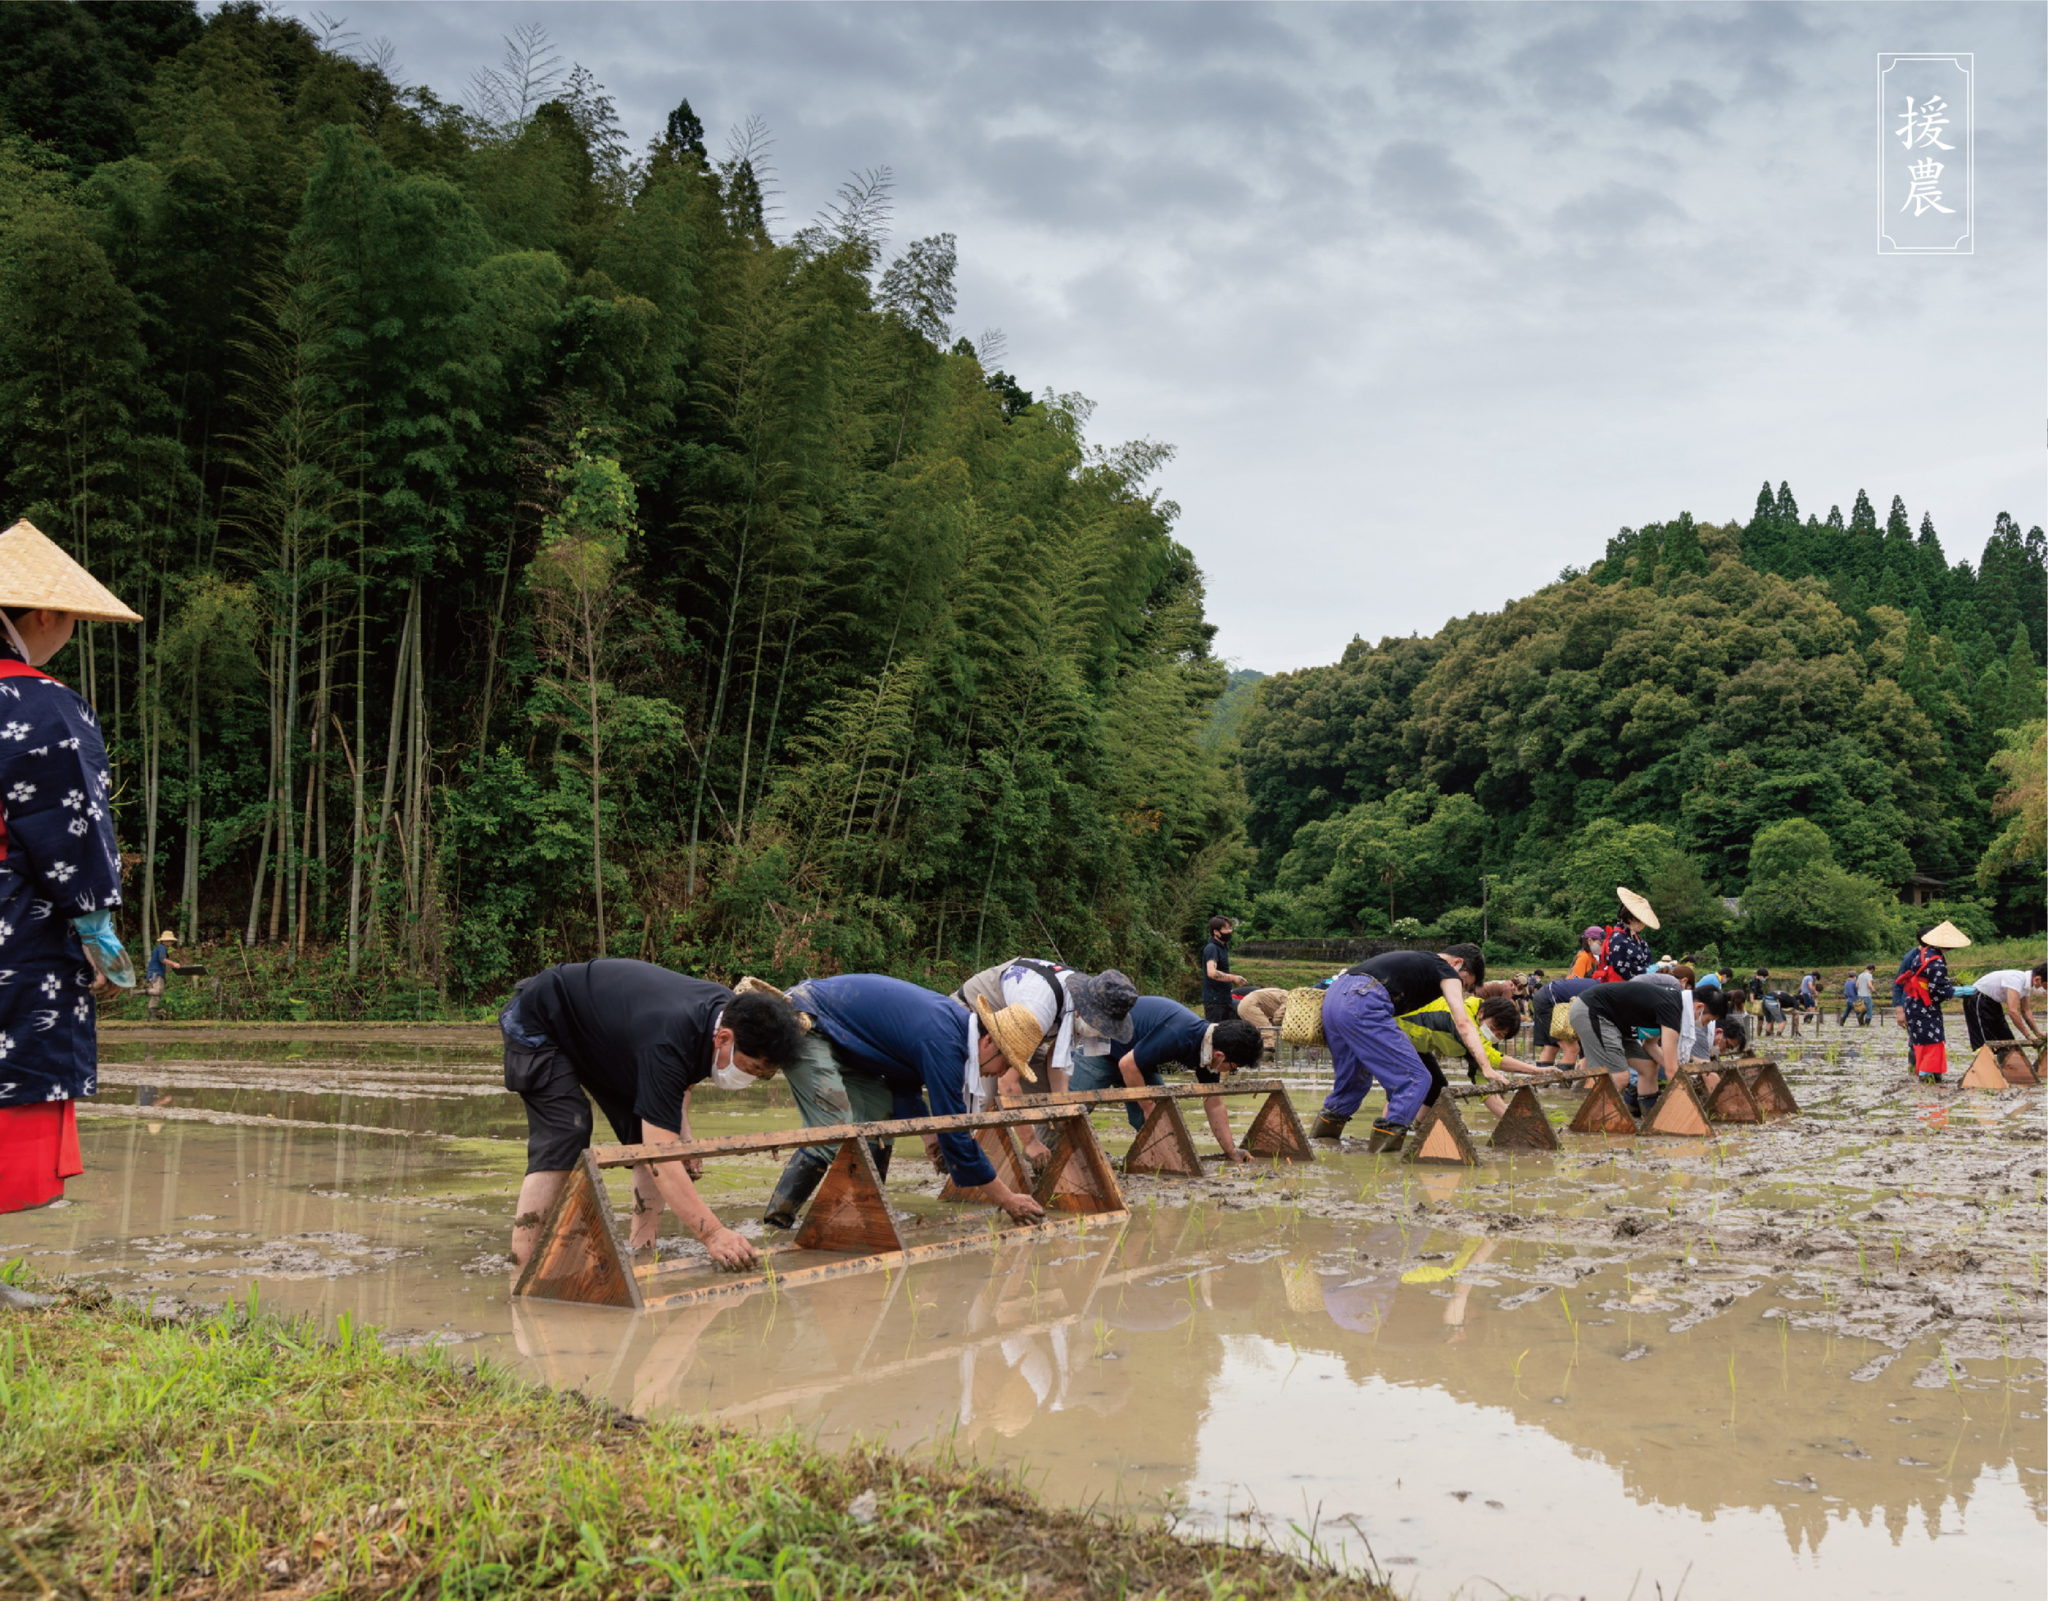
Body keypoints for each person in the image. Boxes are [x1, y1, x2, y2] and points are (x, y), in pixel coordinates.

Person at [0, 520, 142, 1216]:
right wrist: (97, 930)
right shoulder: (45, 704)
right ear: (47, 614)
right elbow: (71, 829)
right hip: (13, 925)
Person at [501, 958, 806, 1274]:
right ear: (725, 1039)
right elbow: (661, 1156)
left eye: (763, 1074)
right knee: (567, 1129)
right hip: (541, 1017)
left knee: (646, 1130)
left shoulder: (725, 1015)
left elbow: (682, 1082)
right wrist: (713, 1233)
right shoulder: (671, 1037)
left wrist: (682, 1135)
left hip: (604, 1036)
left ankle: (642, 1250)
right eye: (752, 1068)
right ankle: (523, 1261)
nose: (751, 1078)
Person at [762, 974, 1049, 1228]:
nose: (1001, 1073)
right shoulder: (945, 1044)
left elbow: (903, 1084)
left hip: (846, 1041)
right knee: (831, 1128)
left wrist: (929, 1138)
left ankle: (862, 1212)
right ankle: (777, 1221)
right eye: (1006, 1062)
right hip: (809, 1020)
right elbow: (956, 1132)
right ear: (989, 1043)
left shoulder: (952, 1031)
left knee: (879, 1122)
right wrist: (1007, 1198)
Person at [1310, 943, 1494, 1150]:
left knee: (1354, 1082)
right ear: (1458, 964)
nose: (1462, 989)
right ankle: (1384, 1159)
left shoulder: (1415, 962)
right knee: (1416, 1079)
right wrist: (1486, 1066)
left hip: (1334, 999)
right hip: (1363, 999)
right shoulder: (1446, 969)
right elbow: (1463, 1022)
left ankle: (1320, 1143)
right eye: (1465, 983)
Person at [1071, 994, 1265, 1156]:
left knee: (1162, 1120)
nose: (1231, 1073)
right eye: (1233, 1068)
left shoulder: (1209, 1052)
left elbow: (1214, 1102)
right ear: (1220, 1057)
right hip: (1104, 1049)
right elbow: (1127, 1064)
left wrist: (1231, 1150)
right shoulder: (1180, 1034)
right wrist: (1147, 1107)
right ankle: (1046, 1160)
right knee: (1071, 1111)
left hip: (1138, 1061)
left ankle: (1155, 1161)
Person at [1566, 977, 1682, 1119]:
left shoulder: (1671, 1007)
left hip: (1618, 1025)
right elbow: (1671, 1071)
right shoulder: (1672, 1008)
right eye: (1708, 1019)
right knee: (1619, 1077)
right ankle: (1593, 1122)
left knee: (1648, 1067)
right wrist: (1680, 1080)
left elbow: (1650, 1045)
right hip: (1594, 1011)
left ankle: (1650, 1119)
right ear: (1699, 1006)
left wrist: (1678, 1071)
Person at [1396, 993, 1527, 1118]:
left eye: (1500, 1035)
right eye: (1493, 1028)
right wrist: (1535, 1070)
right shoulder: (1461, 1017)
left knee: (1437, 1087)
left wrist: (1513, 1121)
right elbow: (1491, 1057)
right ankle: (1389, 1132)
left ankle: (1419, 1129)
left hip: (1418, 1047)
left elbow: (1483, 1083)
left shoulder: (1483, 1040)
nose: (1494, 1035)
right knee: (1412, 1085)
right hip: (1396, 1034)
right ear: (1481, 1013)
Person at [1893, 921, 1970, 1083]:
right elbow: (1939, 990)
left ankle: (1923, 1077)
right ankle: (1927, 1080)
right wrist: (1958, 991)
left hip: (1915, 1005)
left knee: (1920, 1042)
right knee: (1932, 1042)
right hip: (1923, 1007)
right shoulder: (1935, 961)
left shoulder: (1924, 954)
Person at [1961, 962, 2046, 1050]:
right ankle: (1984, 1062)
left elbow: (2026, 1011)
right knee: (1984, 1043)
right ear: (2037, 979)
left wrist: (2038, 1033)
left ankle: (2008, 1061)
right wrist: (2028, 1035)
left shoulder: (2027, 986)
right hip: (1978, 999)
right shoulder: (2016, 979)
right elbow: (2013, 1011)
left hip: (1993, 1003)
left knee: (2007, 1041)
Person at [1585, 889, 1658, 982]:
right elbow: (1622, 968)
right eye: (1642, 921)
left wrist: (1653, 969)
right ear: (1632, 919)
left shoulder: (1636, 938)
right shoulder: (1618, 938)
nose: (1644, 925)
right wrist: (1645, 972)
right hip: (1622, 986)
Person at [1527, 974, 1598, 1065]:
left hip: (1544, 996)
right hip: (1550, 1001)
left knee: (1551, 1046)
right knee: (1572, 1049)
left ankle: (1544, 1078)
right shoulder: (1603, 993)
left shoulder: (1602, 986)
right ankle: (1563, 1079)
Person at [1200, 915, 1244, 1023]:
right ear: (1216, 932)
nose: (1229, 931)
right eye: (1225, 929)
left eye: (1230, 928)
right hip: (1215, 1002)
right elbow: (1211, 972)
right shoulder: (1212, 948)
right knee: (1215, 1033)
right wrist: (1233, 978)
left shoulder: (1222, 947)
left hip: (1225, 999)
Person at [1235, 985, 1290, 1050]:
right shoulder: (1290, 1000)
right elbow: (1278, 1018)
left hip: (1249, 1004)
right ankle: (1267, 1057)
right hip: (1250, 1006)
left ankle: (1267, 1054)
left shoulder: (1286, 995)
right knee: (1267, 1032)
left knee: (1271, 1033)